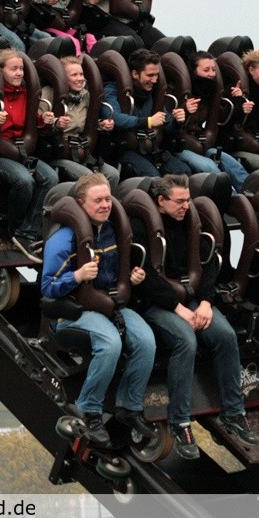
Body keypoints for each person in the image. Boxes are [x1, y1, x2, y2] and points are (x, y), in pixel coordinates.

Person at [131, 174, 259, 459]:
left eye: (188, 200)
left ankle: (233, 413)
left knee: (225, 336)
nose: (185, 206)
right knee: (186, 340)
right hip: (157, 303)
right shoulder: (143, 228)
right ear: (161, 201)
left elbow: (208, 265)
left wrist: (205, 303)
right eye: (179, 201)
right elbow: (147, 278)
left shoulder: (192, 223)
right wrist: (178, 309)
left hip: (193, 298)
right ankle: (180, 422)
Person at [41, 173, 156, 447]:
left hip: (110, 304)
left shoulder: (112, 231)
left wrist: (134, 277)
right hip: (74, 311)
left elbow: (119, 273)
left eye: (108, 199)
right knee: (110, 343)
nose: (105, 205)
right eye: (98, 200)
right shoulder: (64, 239)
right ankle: (89, 409)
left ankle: (129, 406)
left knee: (146, 341)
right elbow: (48, 286)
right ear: (81, 203)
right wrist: (77, 276)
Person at [0, 48, 59, 261]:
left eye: (21, 68)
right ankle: (12, 228)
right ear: (0, 71)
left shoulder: (25, 93)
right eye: (13, 69)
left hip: (20, 150)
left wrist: (44, 120)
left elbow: (31, 121)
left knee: (50, 178)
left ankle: (26, 232)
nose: (19, 73)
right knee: (24, 181)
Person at [103, 48, 191, 178]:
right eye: (150, 75)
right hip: (125, 149)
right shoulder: (113, 90)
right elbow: (113, 117)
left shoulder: (153, 93)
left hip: (151, 149)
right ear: (135, 74)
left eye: (156, 75)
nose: (154, 80)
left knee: (183, 172)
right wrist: (148, 121)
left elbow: (166, 124)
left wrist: (177, 121)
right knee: (152, 176)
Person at [174, 52, 249, 193]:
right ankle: (233, 199)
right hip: (179, 147)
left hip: (201, 144)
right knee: (209, 167)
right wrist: (185, 110)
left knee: (233, 165)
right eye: (206, 70)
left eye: (213, 70)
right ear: (194, 71)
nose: (211, 74)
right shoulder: (178, 92)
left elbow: (221, 118)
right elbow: (169, 124)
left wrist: (236, 100)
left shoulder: (208, 93)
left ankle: (251, 196)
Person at [47, 55, 120, 188]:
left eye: (81, 74)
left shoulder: (85, 96)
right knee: (89, 178)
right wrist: (55, 122)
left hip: (81, 150)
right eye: (74, 75)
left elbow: (88, 122)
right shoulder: (48, 93)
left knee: (112, 174)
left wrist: (101, 124)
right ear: (62, 78)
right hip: (58, 153)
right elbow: (39, 121)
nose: (80, 78)